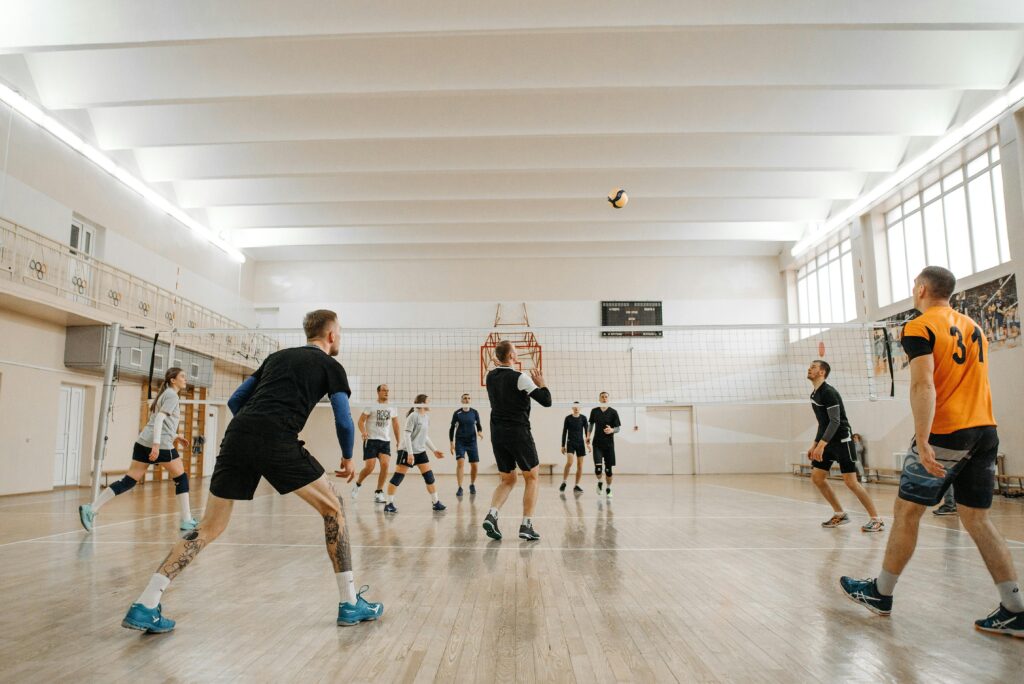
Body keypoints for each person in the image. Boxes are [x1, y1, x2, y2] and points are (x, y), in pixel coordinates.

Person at [119, 310, 382, 633]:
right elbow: (343, 419)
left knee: (209, 526)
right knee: (334, 509)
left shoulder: (276, 357)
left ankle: (146, 602)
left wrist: (253, 429)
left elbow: (235, 400)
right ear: (330, 335)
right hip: (278, 437)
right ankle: (350, 603)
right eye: (339, 332)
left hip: (237, 434)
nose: (339, 337)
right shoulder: (331, 366)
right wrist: (347, 457)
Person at [841, 266, 1023, 637]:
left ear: (922, 289)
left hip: (948, 431)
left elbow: (924, 384)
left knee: (907, 512)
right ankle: (1015, 608)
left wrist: (923, 439)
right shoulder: (973, 327)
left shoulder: (919, 326)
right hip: (985, 430)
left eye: (913, 286)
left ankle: (880, 593)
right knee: (977, 519)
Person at [79, 367, 197, 534]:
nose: (186, 379)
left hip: (143, 442)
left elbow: (159, 423)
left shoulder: (164, 394)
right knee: (181, 477)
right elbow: (159, 420)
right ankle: (186, 520)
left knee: (128, 481)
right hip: (160, 444)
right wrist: (157, 445)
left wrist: (175, 435)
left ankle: (91, 508)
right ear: (173, 380)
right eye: (183, 377)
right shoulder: (172, 395)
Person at [481, 340, 551, 541]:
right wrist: (542, 383)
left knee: (508, 479)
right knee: (532, 477)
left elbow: (500, 367)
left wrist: (499, 360)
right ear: (511, 356)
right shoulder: (521, 378)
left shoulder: (491, 377)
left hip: (497, 433)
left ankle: (492, 515)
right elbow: (546, 401)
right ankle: (526, 525)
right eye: (516, 352)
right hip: (518, 433)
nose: (518, 354)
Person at [805, 360, 884, 532]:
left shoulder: (829, 392)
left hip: (842, 441)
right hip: (827, 442)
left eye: (813, 367)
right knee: (817, 478)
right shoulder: (815, 394)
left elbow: (835, 421)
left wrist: (821, 446)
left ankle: (876, 519)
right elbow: (822, 423)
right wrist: (814, 445)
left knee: (851, 482)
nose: (809, 369)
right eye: (810, 366)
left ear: (822, 372)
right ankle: (840, 514)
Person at [384, 394, 446, 513]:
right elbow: (406, 435)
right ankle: (389, 504)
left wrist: (434, 450)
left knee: (429, 477)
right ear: (422, 403)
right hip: (407, 451)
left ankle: (436, 502)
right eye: (428, 401)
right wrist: (410, 454)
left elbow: (425, 436)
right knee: (397, 478)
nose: (430, 403)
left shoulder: (426, 417)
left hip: (420, 451)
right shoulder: (413, 416)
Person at [352, 384, 400, 504]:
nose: (386, 392)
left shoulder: (392, 407)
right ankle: (358, 484)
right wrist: (363, 432)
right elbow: (360, 421)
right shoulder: (371, 406)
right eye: (384, 390)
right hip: (371, 440)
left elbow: (395, 424)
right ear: (378, 392)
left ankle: (378, 492)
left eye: (388, 390)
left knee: (385, 465)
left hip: (385, 441)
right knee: (369, 467)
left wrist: (399, 441)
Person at [449, 393, 483, 497]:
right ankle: (460, 487)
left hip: (472, 442)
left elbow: (478, 425)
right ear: (461, 400)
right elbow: (452, 428)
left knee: (475, 466)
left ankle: (472, 484)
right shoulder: (457, 413)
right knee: (460, 463)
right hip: (460, 442)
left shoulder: (474, 412)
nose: (467, 400)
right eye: (465, 398)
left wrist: (480, 431)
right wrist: (451, 443)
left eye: (468, 398)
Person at [588, 392, 620, 498]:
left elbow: (618, 428)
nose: (604, 398)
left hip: (609, 445)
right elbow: (591, 424)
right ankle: (600, 482)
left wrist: (612, 430)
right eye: (602, 397)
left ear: (608, 399)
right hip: (597, 444)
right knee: (598, 469)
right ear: (599, 399)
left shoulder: (613, 412)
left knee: (608, 471)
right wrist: (588, 436)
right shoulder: (594, 411)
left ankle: (608, 488)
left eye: (606, 397)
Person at [560, 402, 589, 493]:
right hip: (570, 443)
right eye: (575, 406)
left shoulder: (583, 418)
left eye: (578, 406)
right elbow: (564, 432)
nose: (576, 408)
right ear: (572, 407)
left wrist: (588, 444)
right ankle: (564, 482)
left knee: (580, 465)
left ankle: (577, 485)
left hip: (580, 444)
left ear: (580, 407)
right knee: (569, 462)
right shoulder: (568, 418)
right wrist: (562, 445)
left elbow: (587, 432)